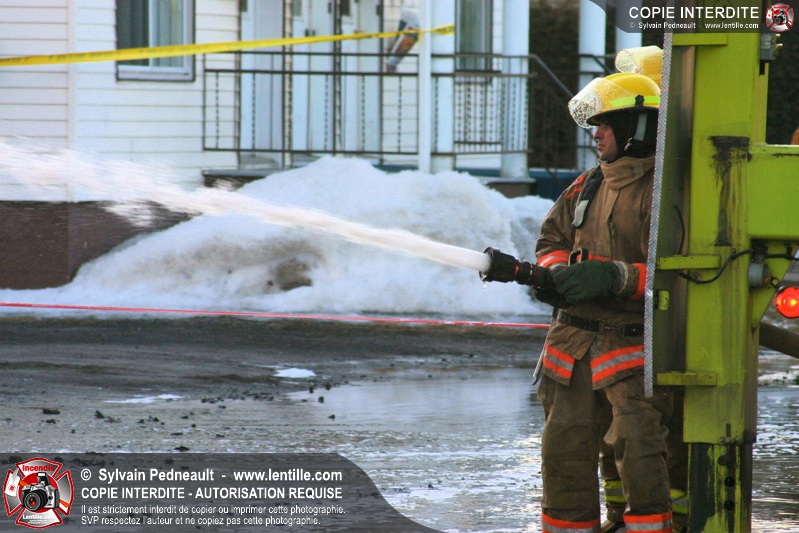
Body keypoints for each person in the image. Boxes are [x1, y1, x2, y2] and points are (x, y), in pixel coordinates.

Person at [482, 71, 674, 532]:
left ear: (636, 127)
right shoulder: (587, 185)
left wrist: (616, 276)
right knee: (563, 457)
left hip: (631, 349)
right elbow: (551, 238)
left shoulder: (665, 193)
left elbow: (681, 274)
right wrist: (555, 274)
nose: (596, 133)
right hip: (570, 350)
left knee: (639, 454)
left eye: (605, 124)